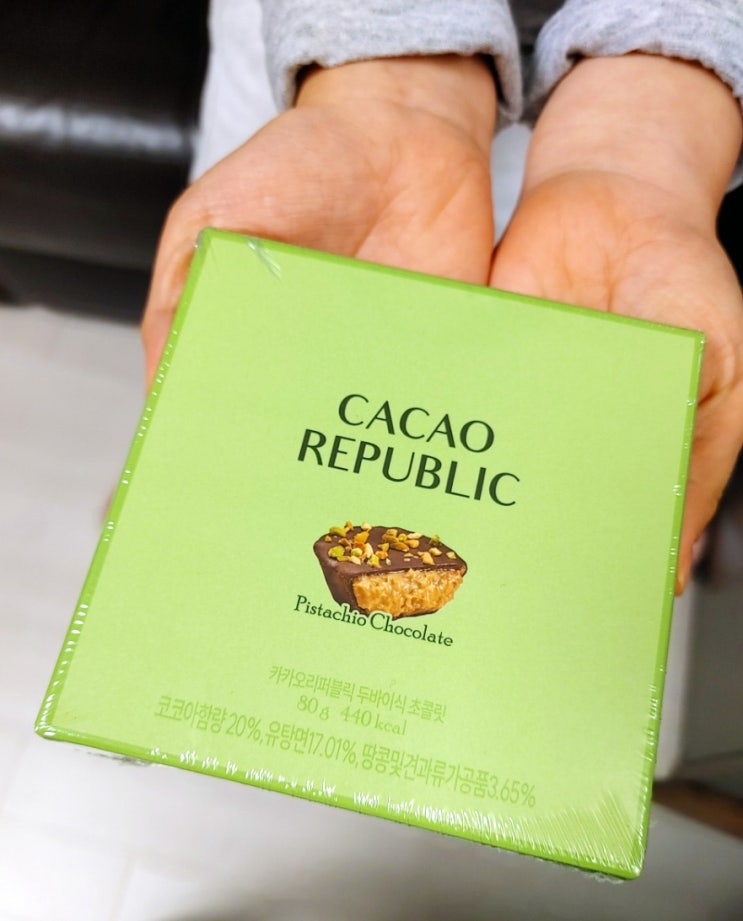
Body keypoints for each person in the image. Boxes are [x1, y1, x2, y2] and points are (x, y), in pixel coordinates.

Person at [142, 0, 743, 596]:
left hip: (622, 126)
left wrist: (650, 134)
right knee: (258, 427)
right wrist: (388, 74)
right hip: (330, 67)